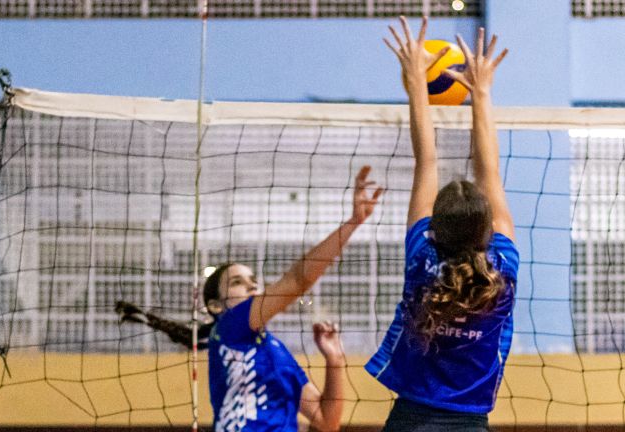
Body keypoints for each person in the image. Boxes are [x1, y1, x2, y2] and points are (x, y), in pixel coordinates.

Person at [117, 165, 383, 432]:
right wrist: (353, 223)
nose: (251, 285)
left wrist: (335, 361)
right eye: (237, 282)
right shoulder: (230, 327)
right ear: (215, 306)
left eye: (253, 280)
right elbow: (298, 280)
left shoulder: (277, 352)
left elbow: (328, 420)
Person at [365, 17, 519, 431]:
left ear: (434, 231)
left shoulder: (422, 260)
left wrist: (416, 82)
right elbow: (490, 172)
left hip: (409, 419)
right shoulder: (502, 268)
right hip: (470, 423)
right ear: (489, 229)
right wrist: (481, 93)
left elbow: (426, 160)